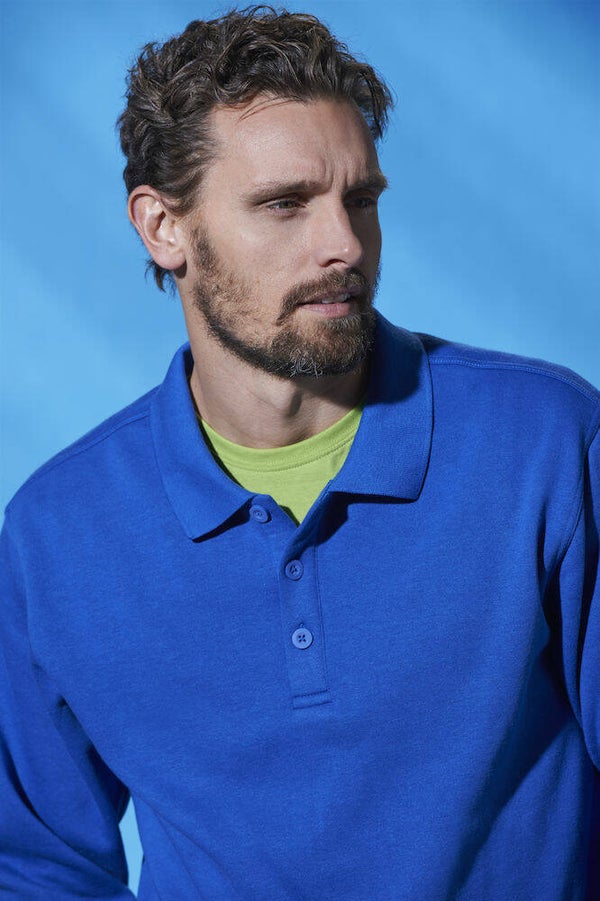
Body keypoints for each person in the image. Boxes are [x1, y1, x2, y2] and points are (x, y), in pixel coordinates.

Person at [1, 5, 598, 899]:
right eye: (285, 204)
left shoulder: (545, 441)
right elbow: (36, 866)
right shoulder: (55, 534)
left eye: (361, 199)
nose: (344, 245)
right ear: (163, 227)